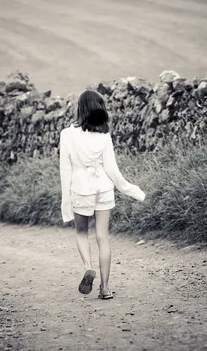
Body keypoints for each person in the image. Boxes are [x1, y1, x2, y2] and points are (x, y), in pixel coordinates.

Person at [59, 90, 146, 300]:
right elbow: (112, 169)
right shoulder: (104, 135)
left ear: (80, 108)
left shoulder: (67, 134)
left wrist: (66, 202)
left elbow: (65, 170)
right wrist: (129, 189)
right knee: (103, 237)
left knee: (81, 232)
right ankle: (105, 288)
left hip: (80, 189)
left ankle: (88, 267)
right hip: (104, 188)